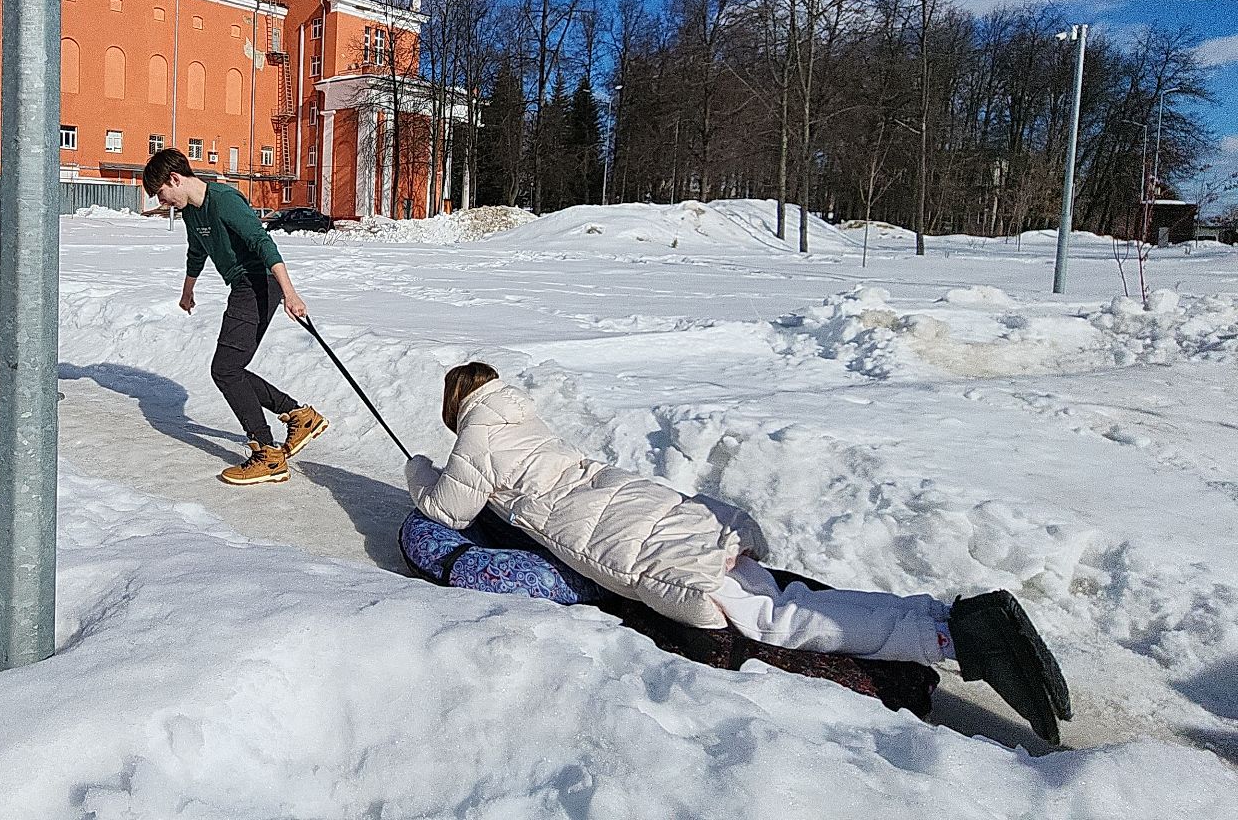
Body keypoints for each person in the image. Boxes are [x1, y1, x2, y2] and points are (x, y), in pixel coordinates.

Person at [406, 362, 1073, 744]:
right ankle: (949, 627)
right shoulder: (528, 419)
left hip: (663, 561)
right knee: (789, 600)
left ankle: (957, 633)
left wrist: (418, 472)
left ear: (456, 403)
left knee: (778, 621)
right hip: (676, 518)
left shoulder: (476, 439)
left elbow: (446, 510)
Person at [142, 148, 328, 486]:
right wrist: (188, 290)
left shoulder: (225, 200)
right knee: (232, 368)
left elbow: (262, 243)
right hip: (243, 286)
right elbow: (196, 251)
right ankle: (301, 417)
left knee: (225, 369)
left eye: (162, 192)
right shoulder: (192, 214)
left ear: (175, 179)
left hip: (259, 282)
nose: (162, 200)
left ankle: (267, 453)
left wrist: (290, 293)